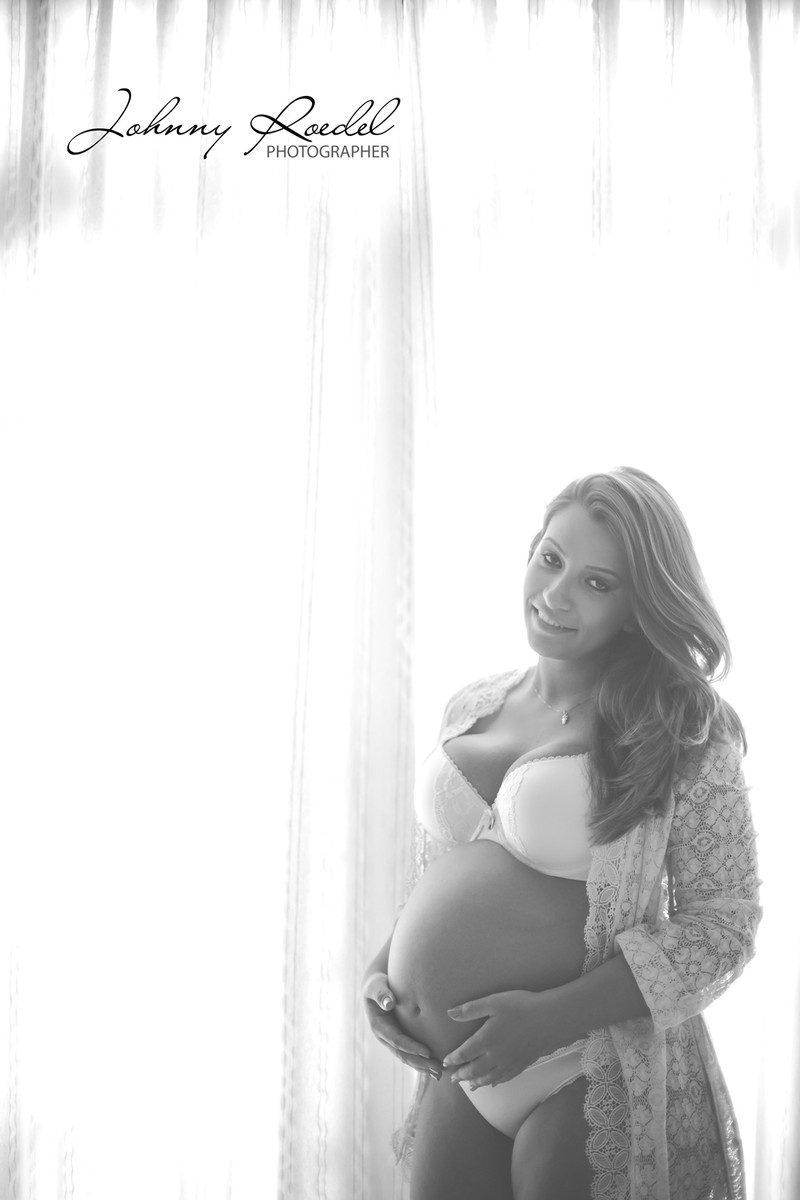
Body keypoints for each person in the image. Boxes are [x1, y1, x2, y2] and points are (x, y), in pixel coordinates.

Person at [362, 467, 761, 1200]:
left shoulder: (680, 728)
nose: (555, 594)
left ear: (638, 607)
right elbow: (446, 871)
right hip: (462, 1073)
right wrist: (385, 970)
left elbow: (722, 928)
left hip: (585, 1063)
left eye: (596, 583)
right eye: (550, 559)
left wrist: (549, 1020)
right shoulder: (474, 703)